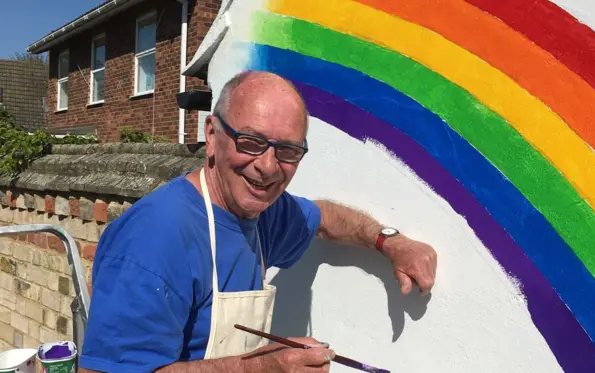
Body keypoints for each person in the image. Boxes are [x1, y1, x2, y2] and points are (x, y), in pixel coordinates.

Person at [78, 71, 437, 373]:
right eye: (250, 142)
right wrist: (260, 368)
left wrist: (390, 241)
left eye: (288, 151)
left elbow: (326, 216)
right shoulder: (153, 238)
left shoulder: (264, 213)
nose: (267, 166)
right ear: (212, 135)